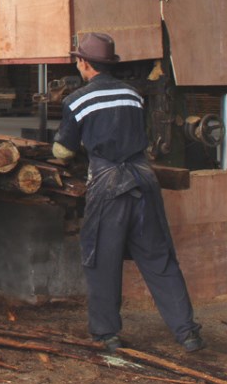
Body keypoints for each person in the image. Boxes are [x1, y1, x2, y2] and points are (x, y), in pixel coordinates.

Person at [52, 32, 204, 354]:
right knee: (160, 260)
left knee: (102, 261)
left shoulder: (76, 100)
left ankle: (107, 334)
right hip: (144, 182)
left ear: (84, 63)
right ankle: (187, 332)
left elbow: (62, 152)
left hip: (109, 188)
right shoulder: (133, 94)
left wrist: (79, 147)